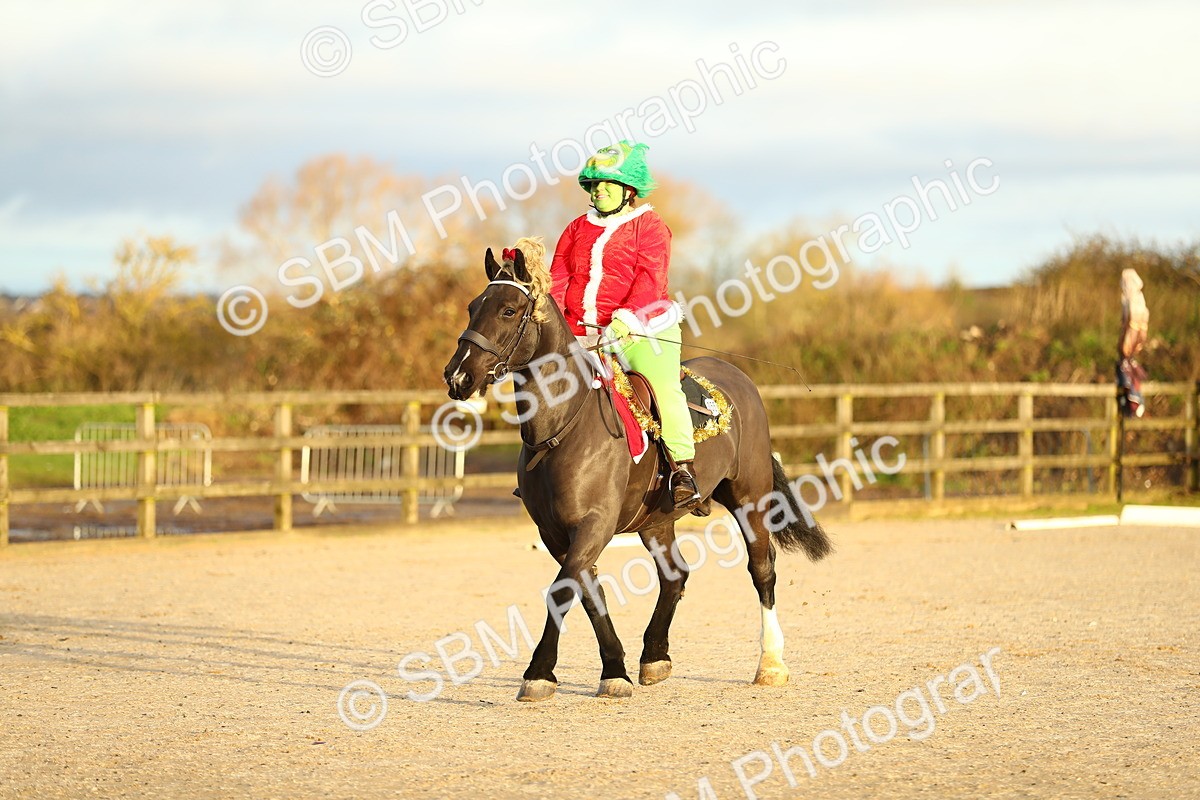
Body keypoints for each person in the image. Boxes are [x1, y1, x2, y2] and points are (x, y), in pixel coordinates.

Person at [549, 141, 701, 509]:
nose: (598, 189)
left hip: (642, 330)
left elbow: (650, 280)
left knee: (663, 389)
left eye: (606, 182)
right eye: (594, 183)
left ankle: (682, 469)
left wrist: (623, 321)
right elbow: (558, 279)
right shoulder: (575, 229)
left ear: (628, 190)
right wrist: (557, 325)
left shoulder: (650, 226)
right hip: (582, 334)